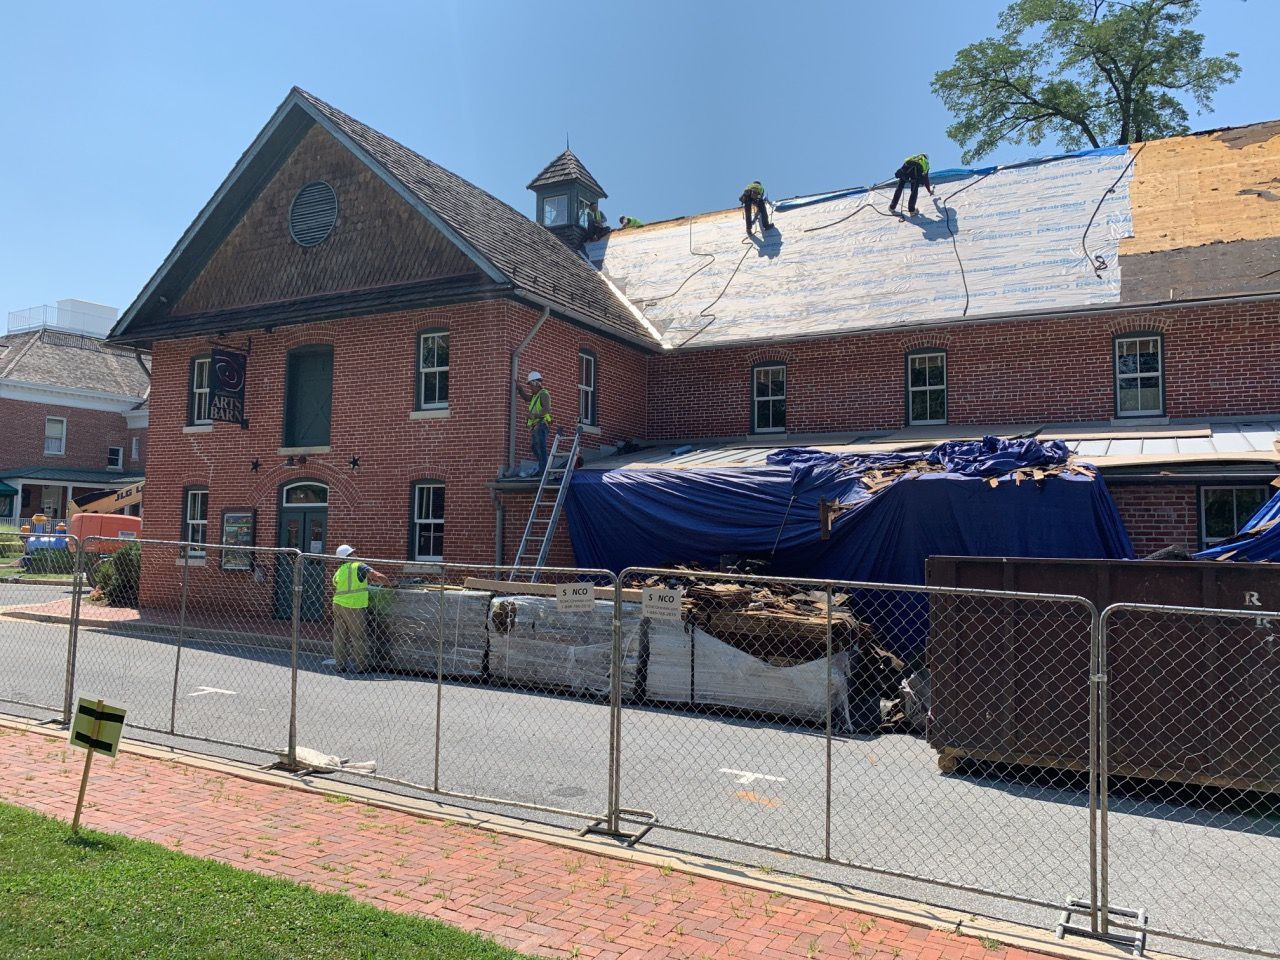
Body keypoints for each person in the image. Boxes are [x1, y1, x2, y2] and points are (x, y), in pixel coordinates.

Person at [331, 544, 388, 674]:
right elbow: (376, 575)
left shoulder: (340, 570)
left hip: (338, 604)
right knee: (358, 636)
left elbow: (336, 583)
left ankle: (340, 666)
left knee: (340, 636)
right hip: (354, 606)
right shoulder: (359, 565)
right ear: (350, 555)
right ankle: (360, 667)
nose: (356, 554)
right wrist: (390, 583)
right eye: (353, 553)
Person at [516, 371, 552, 475]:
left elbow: (546, 409)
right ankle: (542, 466)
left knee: (541, 447)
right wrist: (520, 388)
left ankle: (543, 470)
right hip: (536, 425)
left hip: (541, 424)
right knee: (534, 446)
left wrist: (534, 415)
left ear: (536, 383)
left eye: (531, 385)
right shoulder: (535, 396)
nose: (530, 388)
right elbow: (527, 398)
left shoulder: (544, 394)